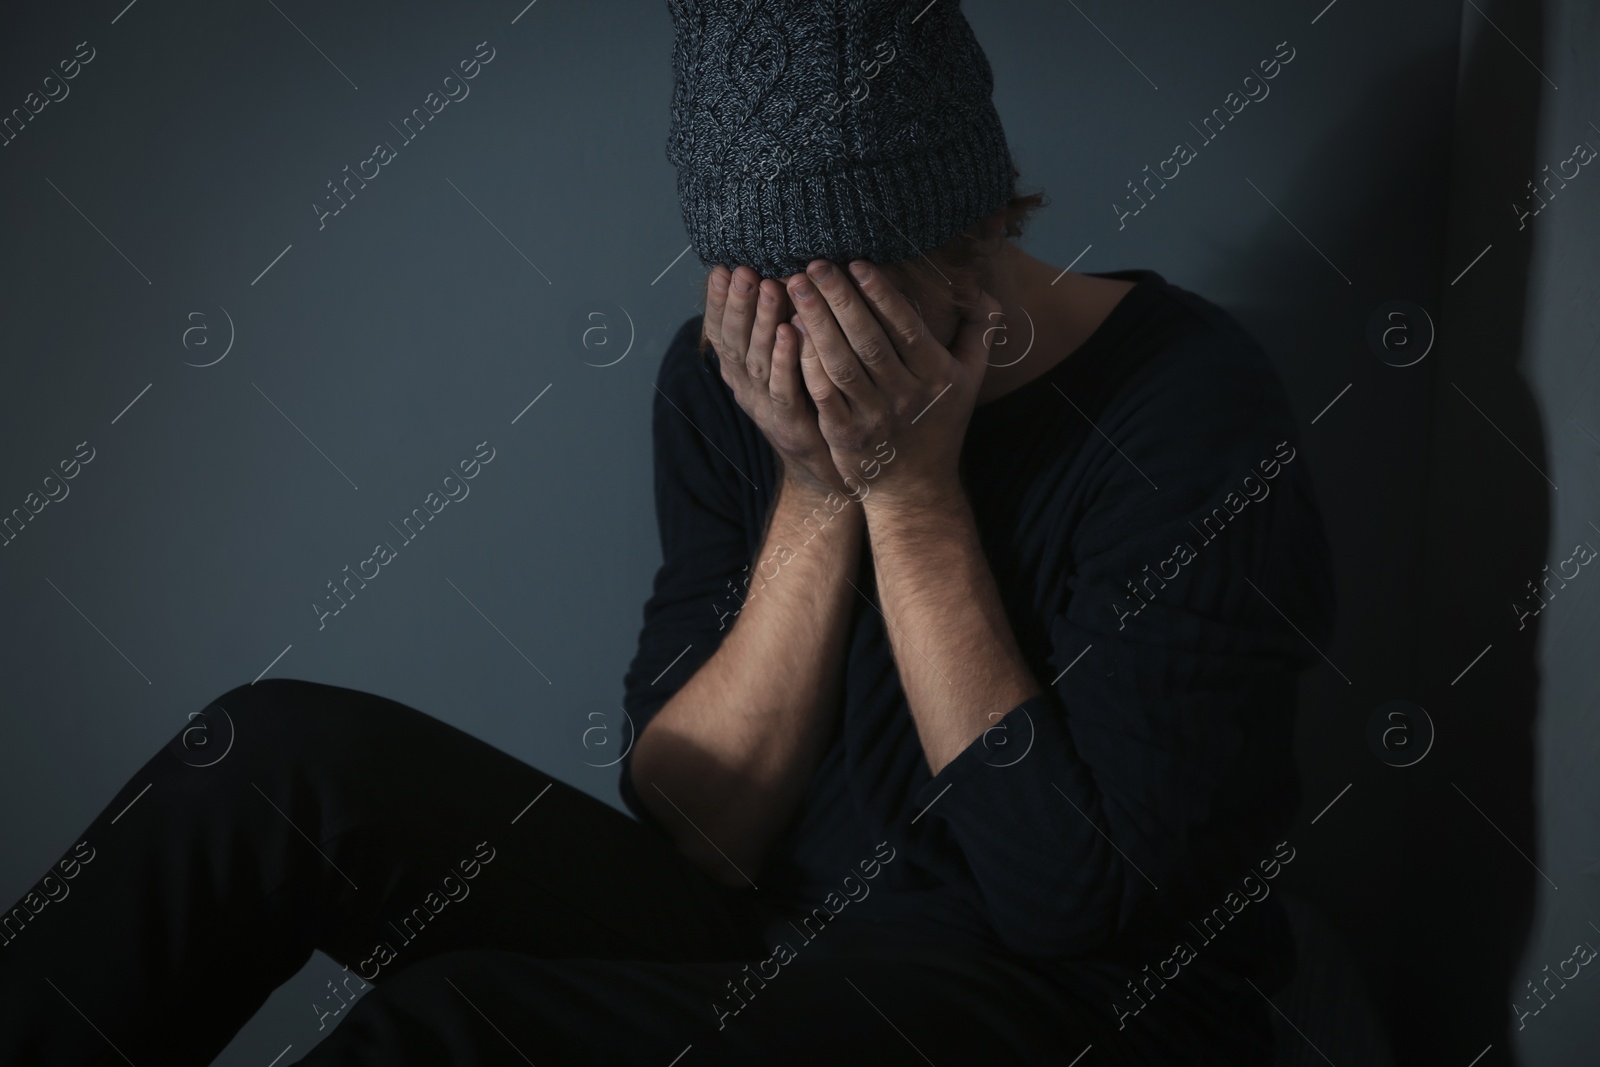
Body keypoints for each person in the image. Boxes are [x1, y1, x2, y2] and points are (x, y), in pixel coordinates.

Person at [0, 1, 1335, 1064]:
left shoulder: (1193, 409)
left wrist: (915, 497)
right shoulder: (726, 379)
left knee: (460, 1029)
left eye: (847, 297)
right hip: (784, 938)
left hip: (1074, 1004)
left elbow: (1069, 907)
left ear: (973, 236)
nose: (799, 352)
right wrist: (818, 489)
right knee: (265, 763)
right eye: (762, 297)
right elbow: (702, 836)